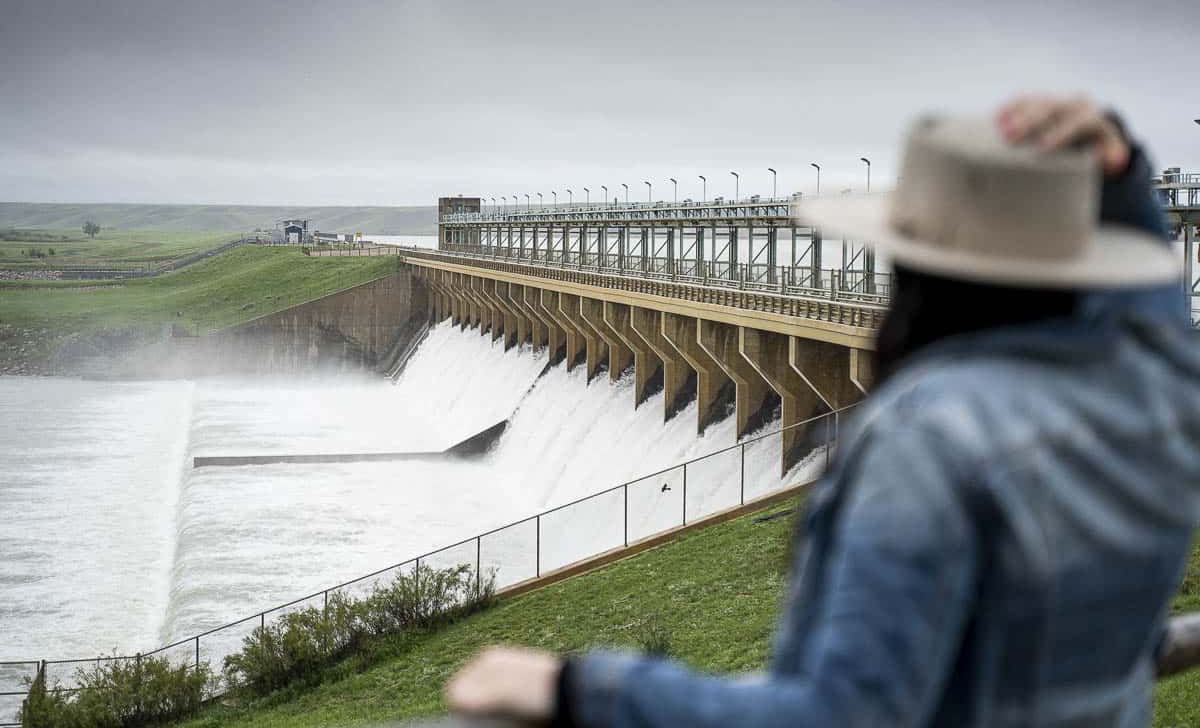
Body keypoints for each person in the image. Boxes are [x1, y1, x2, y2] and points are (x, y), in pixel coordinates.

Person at [445, 97, 1200, 727]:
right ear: (1084, 262)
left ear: (913, 264)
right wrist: (1125, 180)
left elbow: (844, 716)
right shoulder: (1158, 394)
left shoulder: (931, 440)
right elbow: (1159, 310)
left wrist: (580, 689)